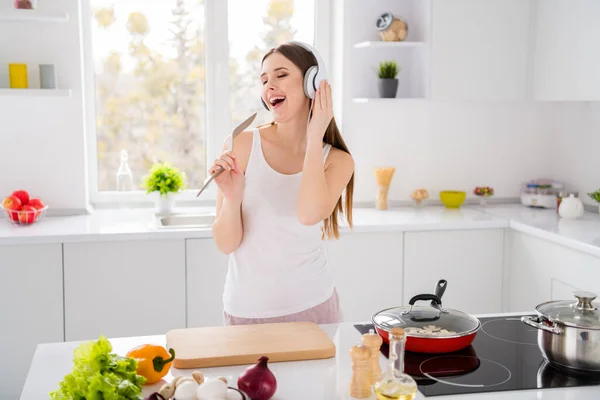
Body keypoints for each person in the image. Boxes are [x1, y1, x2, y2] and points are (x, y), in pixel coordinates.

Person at [210, 41, 355, 326]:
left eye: (281, 75)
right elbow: (226, 244)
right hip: (245, 311)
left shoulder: (337, 161)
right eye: (264, 80)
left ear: (313, 83)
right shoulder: (240, 144)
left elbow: (308, 214)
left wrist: (315, 138)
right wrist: (232, 196)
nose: (269, 86)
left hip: (314, 309)